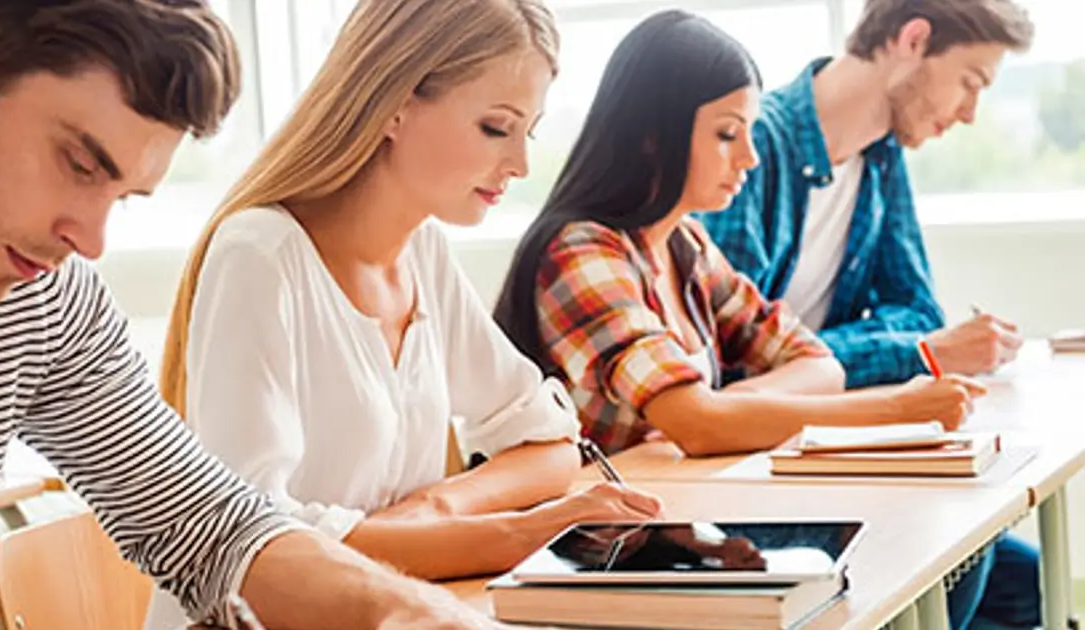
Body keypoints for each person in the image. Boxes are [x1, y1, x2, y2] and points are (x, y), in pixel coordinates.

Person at [0, 1, 532, 628]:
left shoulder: (42, 298)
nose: (90, 240)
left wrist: (414, 612)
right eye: (78, 164)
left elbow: (207, 526)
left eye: (124, 197)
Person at [146, 0, 663, 626]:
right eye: (496, 128)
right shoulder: (259, 256)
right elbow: (258, 549)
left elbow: (549, 440)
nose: (521, 165)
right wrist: (513, 533)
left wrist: (438, 509)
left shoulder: (421, 252)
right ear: (394, 103)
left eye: (528, 133)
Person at [493, 9, 982, 460]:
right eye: (728, 134)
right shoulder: (581, 253)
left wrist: (725, 407)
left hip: (683, 513)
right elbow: (698, 427)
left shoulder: (687, 246)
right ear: (652, 137)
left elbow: (821, 364)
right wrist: (894, 411)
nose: (750, 157)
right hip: (597, 544)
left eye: (749, 133)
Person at [697, 1, 1040, 628]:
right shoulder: (752, 150)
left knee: (1022, 581)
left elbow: (917, 310)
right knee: (955, 559)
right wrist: (916, 356)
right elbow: (732, 364)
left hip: (829, 436)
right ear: (913, 39)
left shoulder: (880, 157)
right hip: (747, 462)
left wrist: (906, 345)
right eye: (971, 82)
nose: (969, 114)